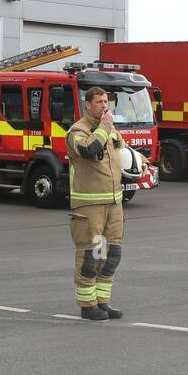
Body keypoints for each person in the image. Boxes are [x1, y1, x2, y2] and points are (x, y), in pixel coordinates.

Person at [67, 87, 124, 320]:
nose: (104, 106)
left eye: (106, 102)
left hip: (113, 202)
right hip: (89, 205)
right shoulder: (77, 131)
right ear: (88, 104)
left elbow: (122, 149)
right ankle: (87, 305)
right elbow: (90, 150)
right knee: (91, 255)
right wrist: (105, 127)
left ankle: (103, 302)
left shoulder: (110, 129)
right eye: (99, 102)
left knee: (111, 254)